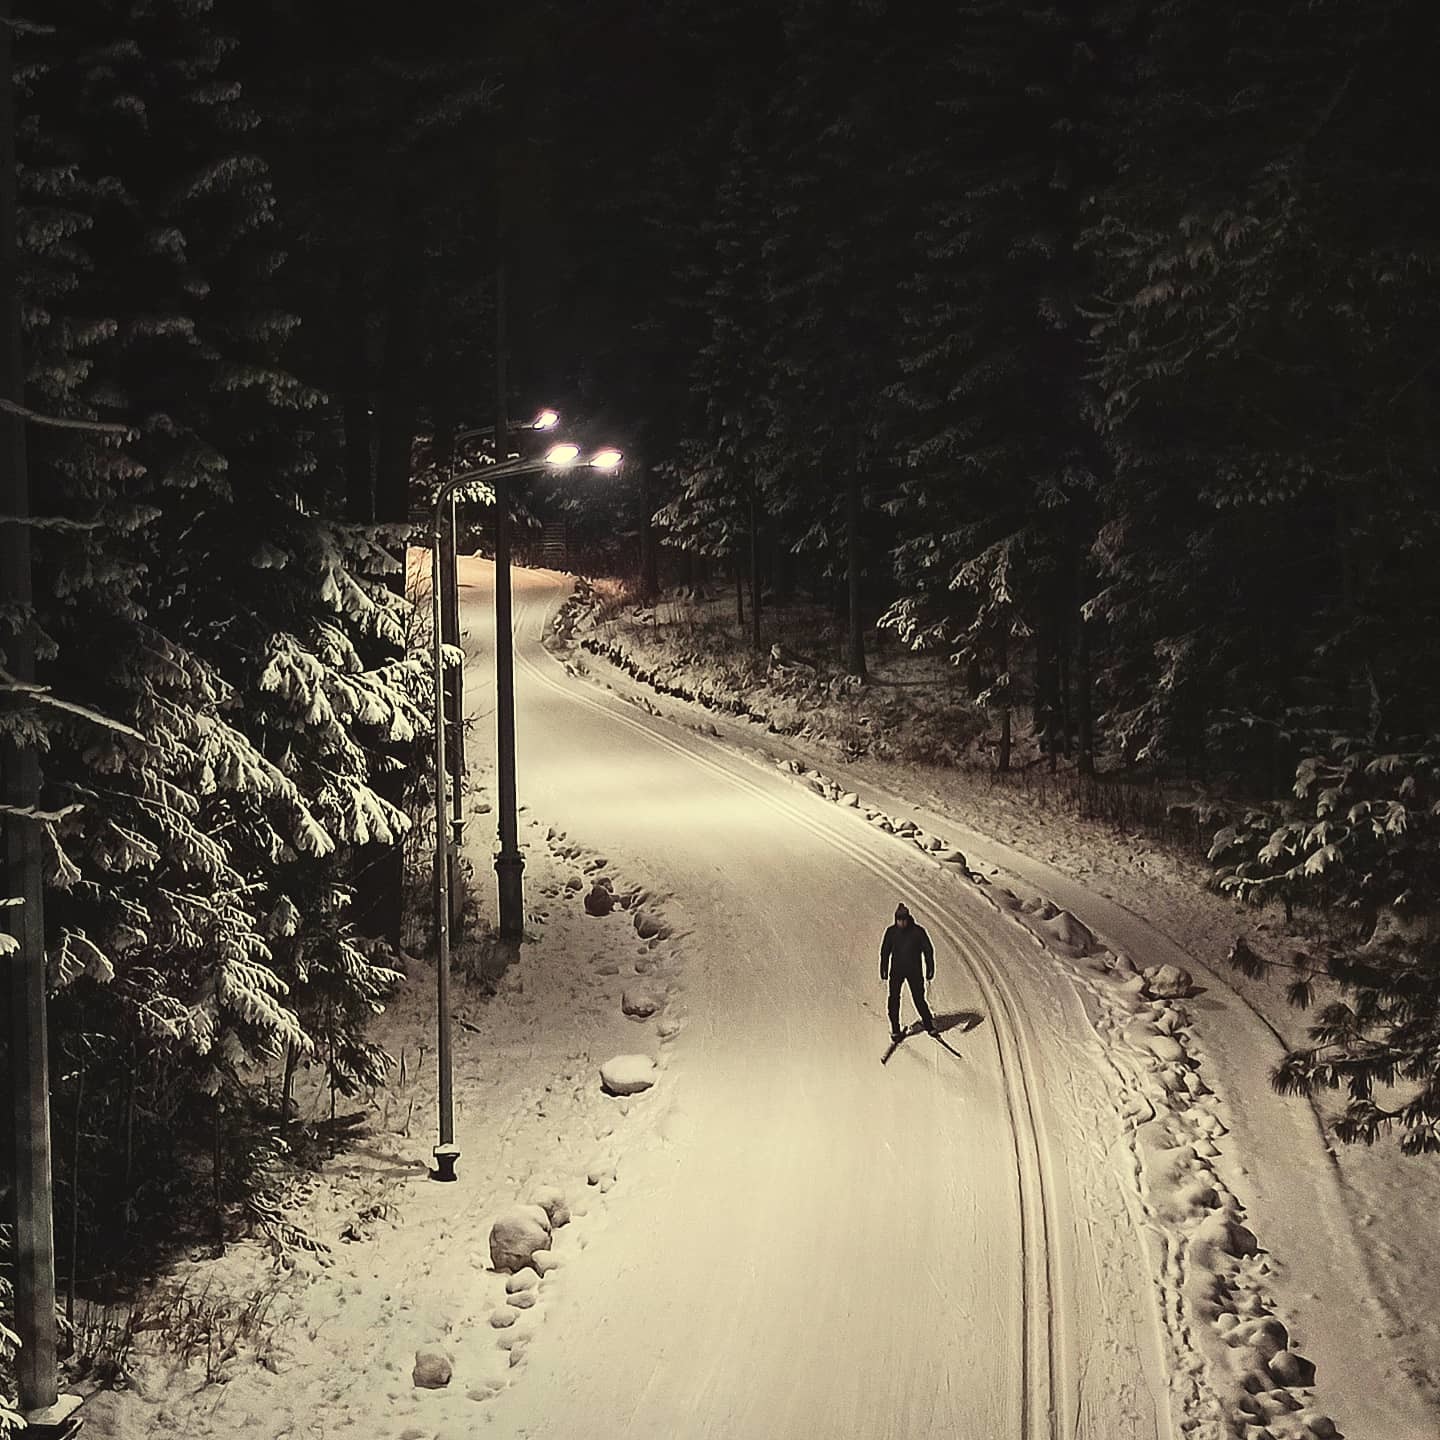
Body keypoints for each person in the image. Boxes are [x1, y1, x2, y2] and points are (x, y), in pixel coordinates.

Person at [880, 902, 935, 1042]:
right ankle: (895, 1029)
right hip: (896, 971)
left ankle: (929, 1024)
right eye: (899, 920)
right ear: (896, 919)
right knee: (894, 999)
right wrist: (883, 968)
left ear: (908, 918)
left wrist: (930, 968)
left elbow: (928, 950)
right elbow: (885, 951)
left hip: (914, 971)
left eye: (903, 919)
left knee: (918, 998)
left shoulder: (917, 932)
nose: (901, 922)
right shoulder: (891, 932)